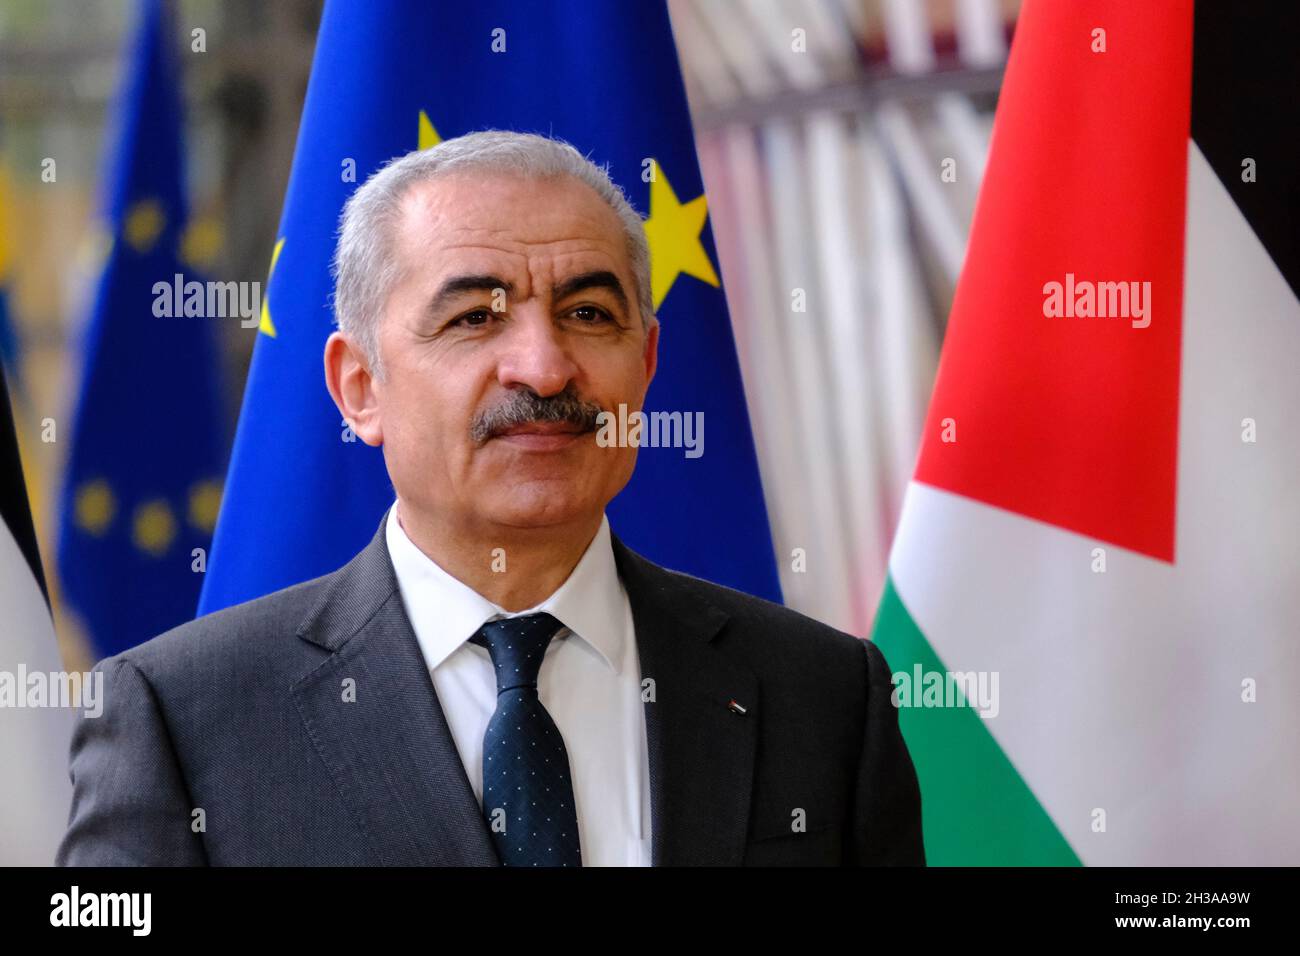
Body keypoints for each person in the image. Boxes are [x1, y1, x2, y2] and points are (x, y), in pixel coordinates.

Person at [56, 130, 924, 866]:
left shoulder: (822, 696)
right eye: (474, 317)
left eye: (588, 313)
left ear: (648, 364)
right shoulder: (180, 719)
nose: (545, 369)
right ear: (360, 387)